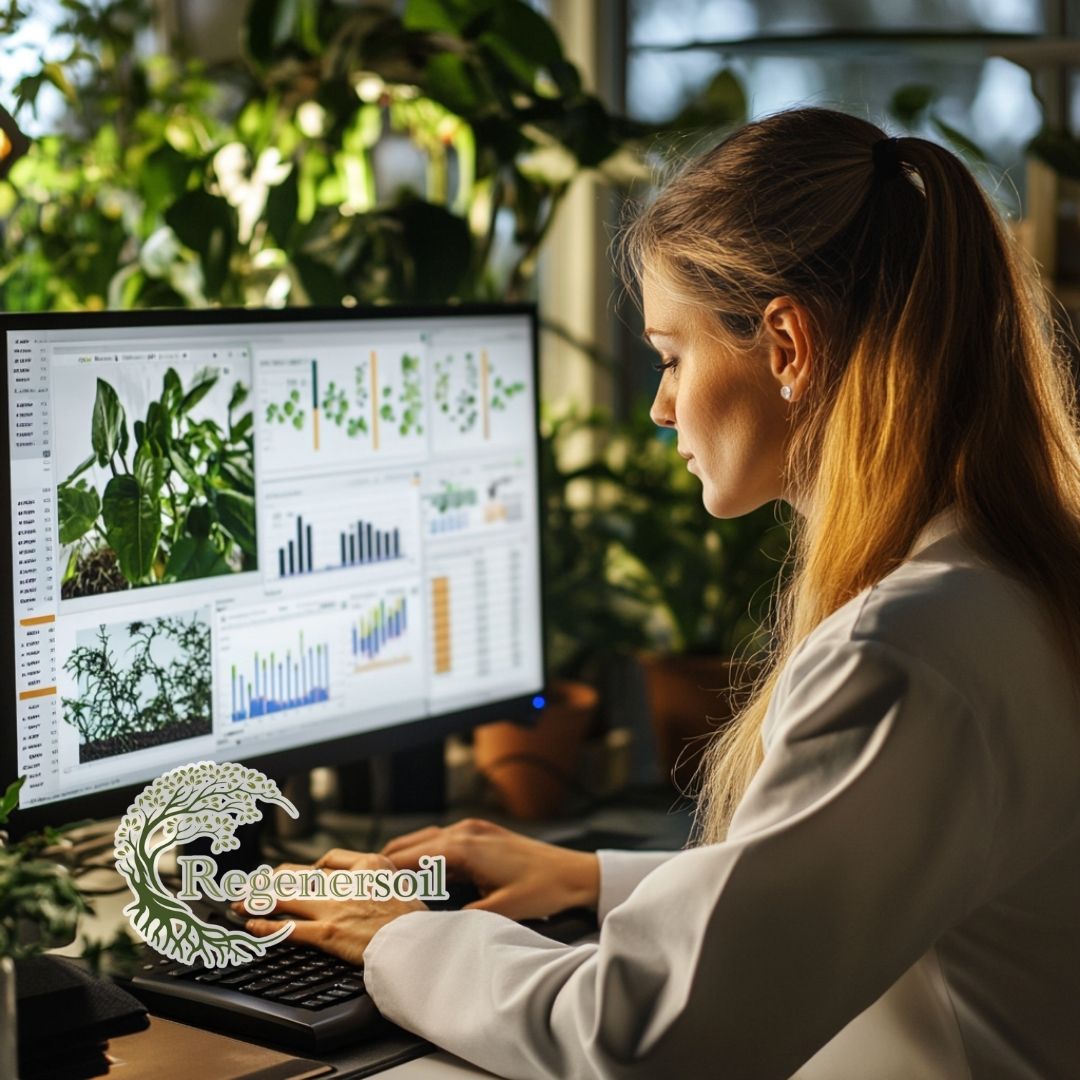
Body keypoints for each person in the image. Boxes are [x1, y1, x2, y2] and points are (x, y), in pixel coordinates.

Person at [240, 108, 1080, 1078]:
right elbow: (847, 887)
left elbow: (645, 1042)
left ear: (787, 344)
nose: (660, 405)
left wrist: (397, 937)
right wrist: (592, 879)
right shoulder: (1002, 580)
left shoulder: (905, 652)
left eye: (672, 355)